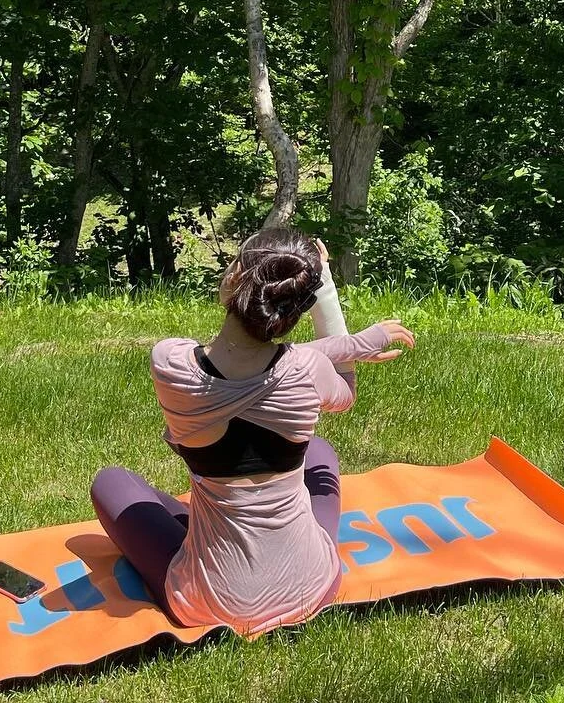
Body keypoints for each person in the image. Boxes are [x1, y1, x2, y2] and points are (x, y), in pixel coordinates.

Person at [89, 225, 414, 638]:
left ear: (233, 277)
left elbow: (252, 368)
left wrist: (354, 343)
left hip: (210, 601)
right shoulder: (307, 371)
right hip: (312, 586)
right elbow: (341, 387)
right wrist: (346, 330)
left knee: (112, 482)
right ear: (295, 306)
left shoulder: (169, 362)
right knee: (319, 453)